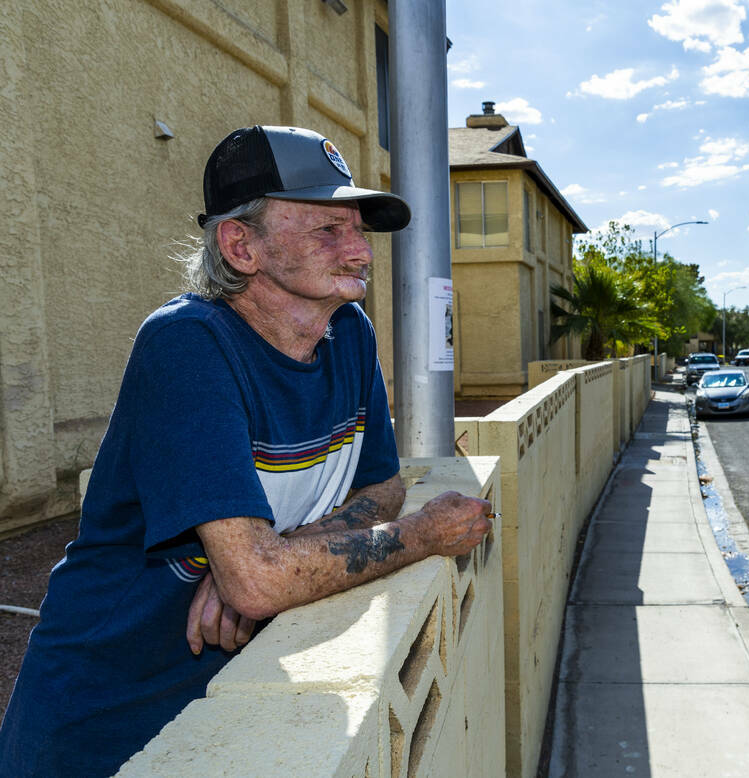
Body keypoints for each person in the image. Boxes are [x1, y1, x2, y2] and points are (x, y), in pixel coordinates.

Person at [0, 126, 492, 775]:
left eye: (358, 229)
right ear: (242, 246)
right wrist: (423, 535)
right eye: (327, 230)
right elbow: (261, 581)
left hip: (235, 685)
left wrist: (281, 556)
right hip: (101, 713)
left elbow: (382, 488)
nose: (360, 252)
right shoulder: (187, 346)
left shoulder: (349, 335)